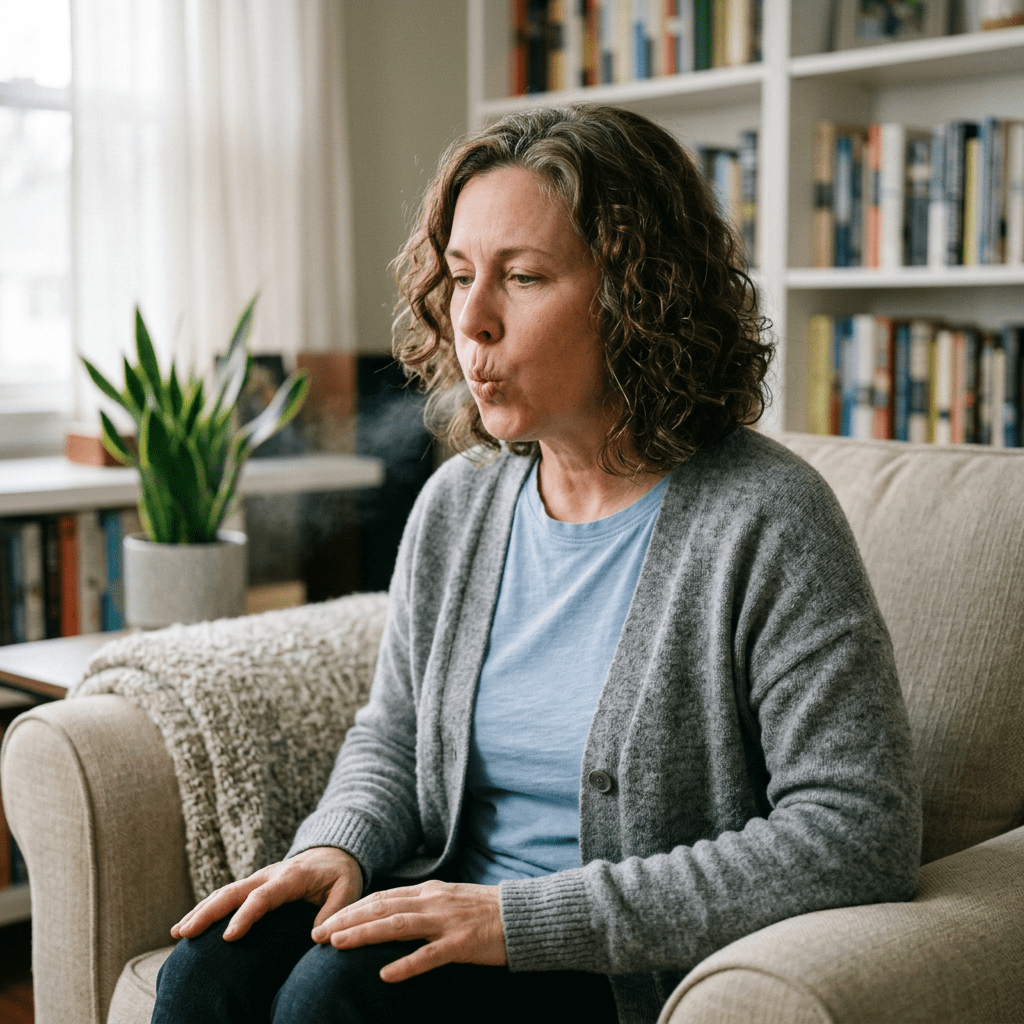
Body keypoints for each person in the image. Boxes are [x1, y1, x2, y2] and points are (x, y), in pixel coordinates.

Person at [152, 104, 921, 1024]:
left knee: (336, 1005)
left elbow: (856, 834)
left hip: (605, 963)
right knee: (207, 967)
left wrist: (525, 920)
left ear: (638, 300)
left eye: (522, 277)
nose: (471, 321)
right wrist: (339, 847)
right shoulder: (460, 503)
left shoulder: (766, 518)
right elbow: (394, 733)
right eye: (461, 275)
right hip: (449, 900)